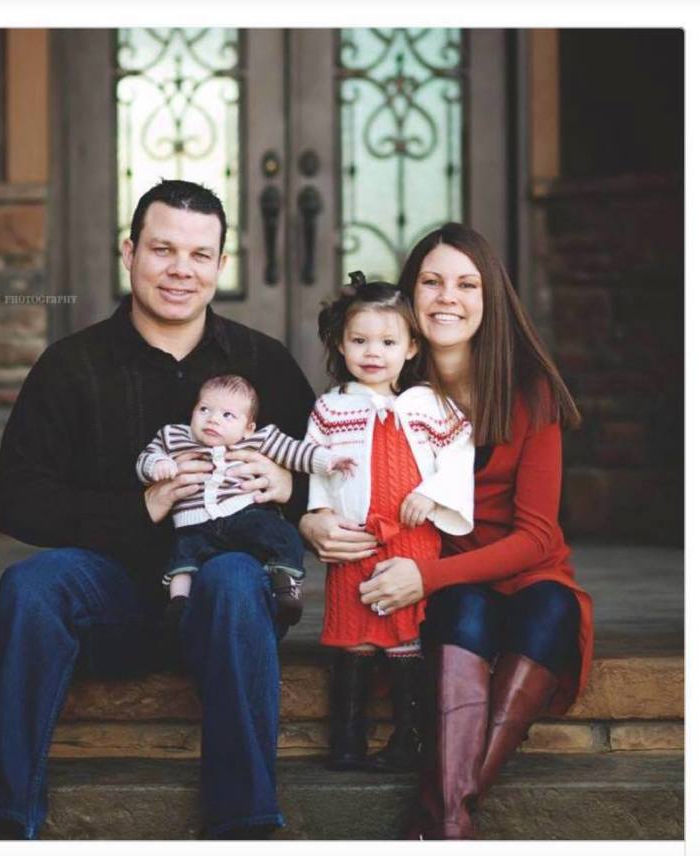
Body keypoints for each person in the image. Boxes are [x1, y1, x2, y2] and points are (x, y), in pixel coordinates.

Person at [0, 179, 317, 840]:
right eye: (162, 249)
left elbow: (326, 476)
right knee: (30, 585)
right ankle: (2, 818)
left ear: (219, 265)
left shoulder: (262, 364)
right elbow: (15, 499)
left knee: (236, 576)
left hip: (227, 606)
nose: (180, 270)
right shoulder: (72, 365)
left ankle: (245, 825)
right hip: (116, 598)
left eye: (198, 255)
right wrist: (146, 503)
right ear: (129, 252)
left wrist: (285, 489)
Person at [299, 224, 593, 840]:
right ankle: (449, 825)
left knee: (552, 612)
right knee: (464, 617)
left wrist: (425, 576)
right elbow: (329, 465)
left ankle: (442, 817)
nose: (447, 297)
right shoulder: (384, 383)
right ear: (410, 297)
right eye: (430, 282)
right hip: (440, 578)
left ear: (491, 299)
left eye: (466, 283)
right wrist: (312, 517)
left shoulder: (529, 392)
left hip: (506, 569)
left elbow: (538, 537)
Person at [304, 271, 474, 774]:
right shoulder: (332, 408)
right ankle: (347, 739)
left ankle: (408, 738)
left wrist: (431, 493)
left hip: (411, 535)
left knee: (404, 632)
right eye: (359, 340)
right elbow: (316, 463)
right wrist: (320, 513)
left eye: (387, 341)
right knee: (354, 631)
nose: (372, 352)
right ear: (341, 343)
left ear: (411, 346)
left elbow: (459, 456)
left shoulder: (430, 406)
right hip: (356, 537)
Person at [136, 373, 355, 628]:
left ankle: (285, 585)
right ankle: (178, 603)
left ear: (248, 427)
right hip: (192, 522)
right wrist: (157, 465)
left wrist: (328, 461)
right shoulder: (173, 436)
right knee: (182, 557)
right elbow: (146, 458)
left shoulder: (258, 439)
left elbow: (295, 452)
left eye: (228, 415)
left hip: (242, 515)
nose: (213, 419)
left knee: (280, 533)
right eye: (204, 409)